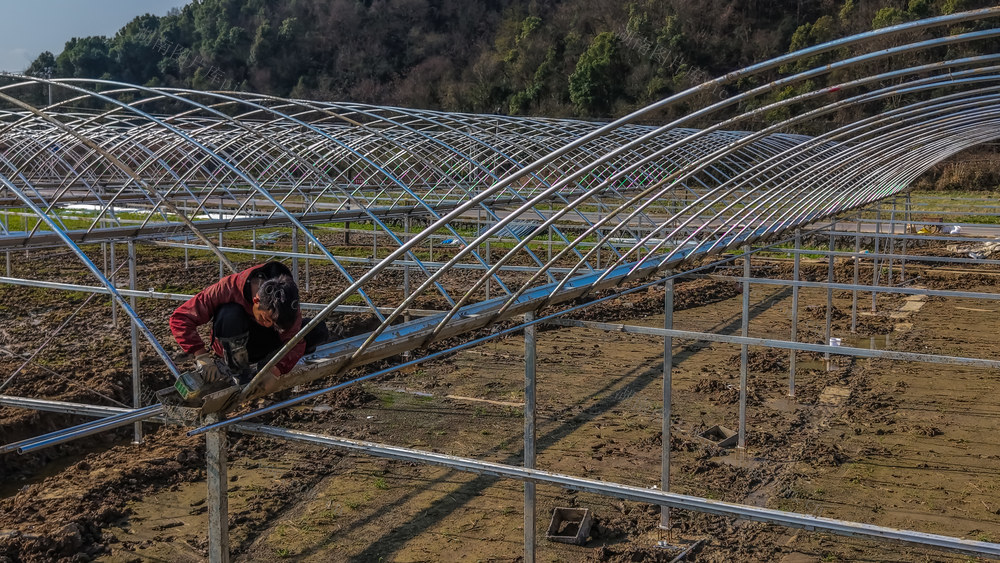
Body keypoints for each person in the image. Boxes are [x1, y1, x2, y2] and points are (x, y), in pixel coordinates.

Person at [169, 261, 328, 393]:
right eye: (266, 318)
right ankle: (237, 370)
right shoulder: (228, 288)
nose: (269, 325)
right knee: (229, 313)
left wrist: (276, 370)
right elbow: (181, 317)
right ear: (256, 301)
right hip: (234, 342)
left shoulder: (286, 301)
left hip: (267, 345)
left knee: (315, 329)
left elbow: (295, 342)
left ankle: (264, 365)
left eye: (275, 323)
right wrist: (201, 355)